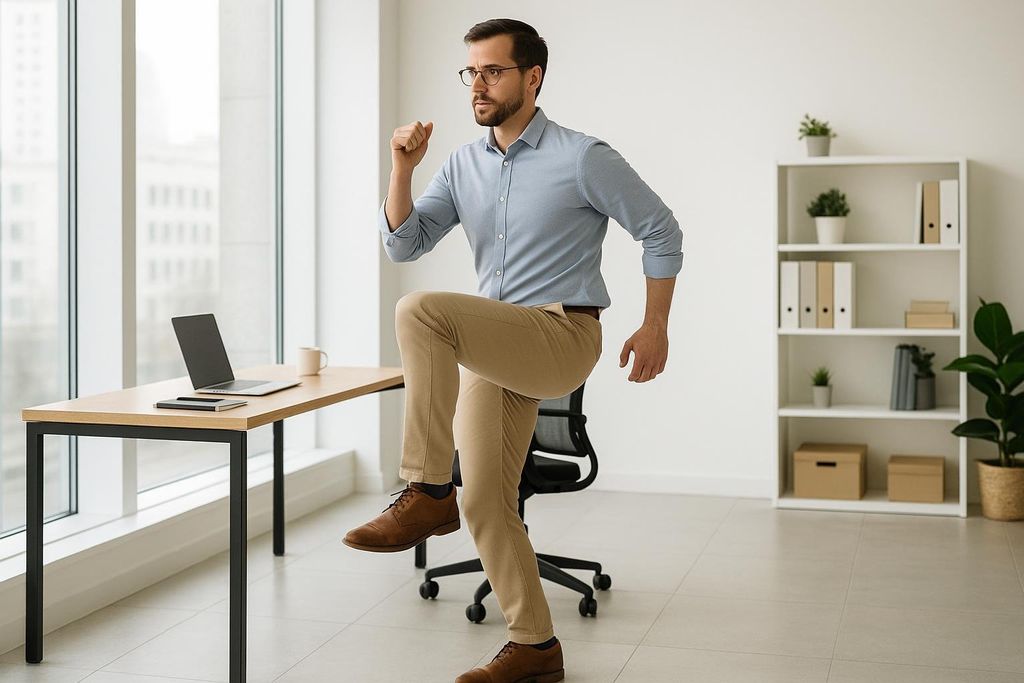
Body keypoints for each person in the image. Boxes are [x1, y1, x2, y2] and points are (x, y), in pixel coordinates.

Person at [343, 17, 683, 683]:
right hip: (496, 343)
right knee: (484, 502)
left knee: (421, 310)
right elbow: (404, 243)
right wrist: (401, 169)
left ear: (532, 77)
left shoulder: (582, 156)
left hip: (561, 334)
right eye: (470, 71)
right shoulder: (463, 164)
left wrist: (655, 324)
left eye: (493, 70)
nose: (478, 83)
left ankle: (423, 485)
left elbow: (660, 228)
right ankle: (535, 647)